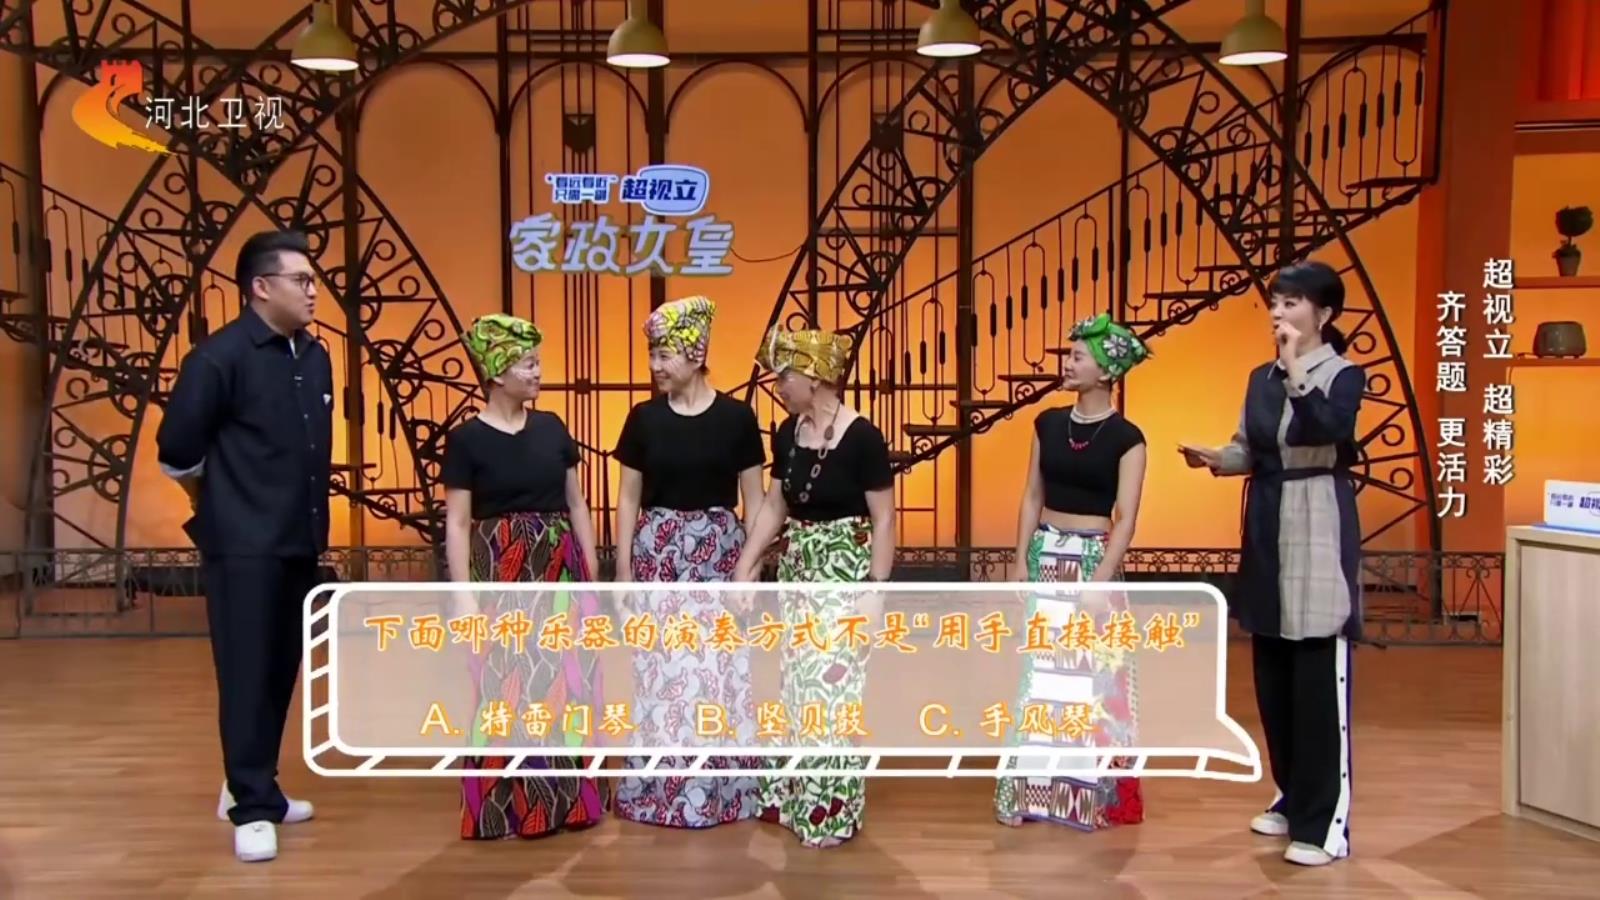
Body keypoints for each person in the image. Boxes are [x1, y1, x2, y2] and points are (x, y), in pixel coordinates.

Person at [156, 229, 333, 863]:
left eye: (313, 281)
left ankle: (255, 783)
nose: (312, 292)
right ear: (260, 287)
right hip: (242, 544)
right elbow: (177, 450)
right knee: (245, 671)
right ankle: (251, 808)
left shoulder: (314, 356)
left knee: (281, 667)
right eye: (301, 281)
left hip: (299, 539)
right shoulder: (217, 358)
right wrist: (222, 504)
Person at [1179, 260, 1364, 867]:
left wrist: (1294, 370)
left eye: (1291, 303)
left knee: (1315, 679)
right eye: (1275, 304)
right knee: (1274, 679)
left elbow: (1327, 427)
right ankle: (1291, 795)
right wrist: (1218, 458)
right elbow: (1252, 448)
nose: (1278, 314)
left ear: (1324, 314)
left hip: (1317, 520)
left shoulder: (1343, 374)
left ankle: (1324, 824)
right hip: (1267, 520)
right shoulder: (1259, 378)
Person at [443, 313, 605, 841]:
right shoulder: (466, 440)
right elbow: (458, 522)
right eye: (527, 363)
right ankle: (502, 810)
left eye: (537, 362)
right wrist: (463, 596)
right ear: (496, 372)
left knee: (566, 683)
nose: (537, 372)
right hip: (500, 569)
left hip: (560, 569)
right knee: (502, 687)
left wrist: (591, 573)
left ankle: (568, 804)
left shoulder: (553, 427)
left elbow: (577, 504)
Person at [734, 325, 896, 849]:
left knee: (832, 692)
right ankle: (795, 799)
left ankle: (830, 812)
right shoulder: (787, 433)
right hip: (799, 571)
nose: (778, 385)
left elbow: (884, 520)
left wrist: (876, 590)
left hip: (845, 571)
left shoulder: (863, 437)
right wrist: (746, 564)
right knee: (798, 689)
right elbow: (775, 505)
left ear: (816, 377)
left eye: (786, 375)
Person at [611, 296, 767, 828]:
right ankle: (657, 792)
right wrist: (623, 571)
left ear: (696, 354)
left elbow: (755, 500)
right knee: (660, 672)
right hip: (657, 554)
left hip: (720, 554)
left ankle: (722, 792)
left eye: (665, 354)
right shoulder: (643, 419)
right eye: (652, 354)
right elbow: (628, 499)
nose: (655, 365)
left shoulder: (737, 418)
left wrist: (750, 567)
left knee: (718, 672)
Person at [996, 312, 1151, 832]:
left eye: (1078, 356)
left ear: (1105, 371)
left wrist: (1099, 581)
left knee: (1088, 679)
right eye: (1070, 354)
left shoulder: (1128, 438)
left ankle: (1081, 796)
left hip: (1091, 559)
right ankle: (1028, 791)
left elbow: (1126, 518)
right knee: (1041, 675)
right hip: (1046, 552)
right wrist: (1020, 560)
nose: (1067, 362)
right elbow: (1031, 495)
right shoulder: (1047, 423)